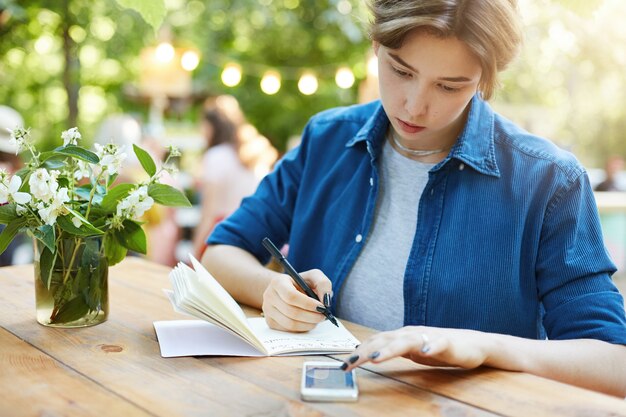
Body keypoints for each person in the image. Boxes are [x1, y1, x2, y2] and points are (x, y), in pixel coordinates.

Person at [201, 0, 626, 397]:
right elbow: (220, 253)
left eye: (449, 86)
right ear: (376, 43)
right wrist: (271, 288)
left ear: (485, 80)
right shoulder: (327, 139)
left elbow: (613, 363)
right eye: (401, 71)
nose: (414, 106)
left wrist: (484, 347)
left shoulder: (549, 179)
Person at [192, 96, 276, 258]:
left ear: (213, 126)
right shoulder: (252, 154)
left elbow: (208, 212)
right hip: (252, 235)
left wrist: (194, 253)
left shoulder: (216, 156)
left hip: (220, 236)